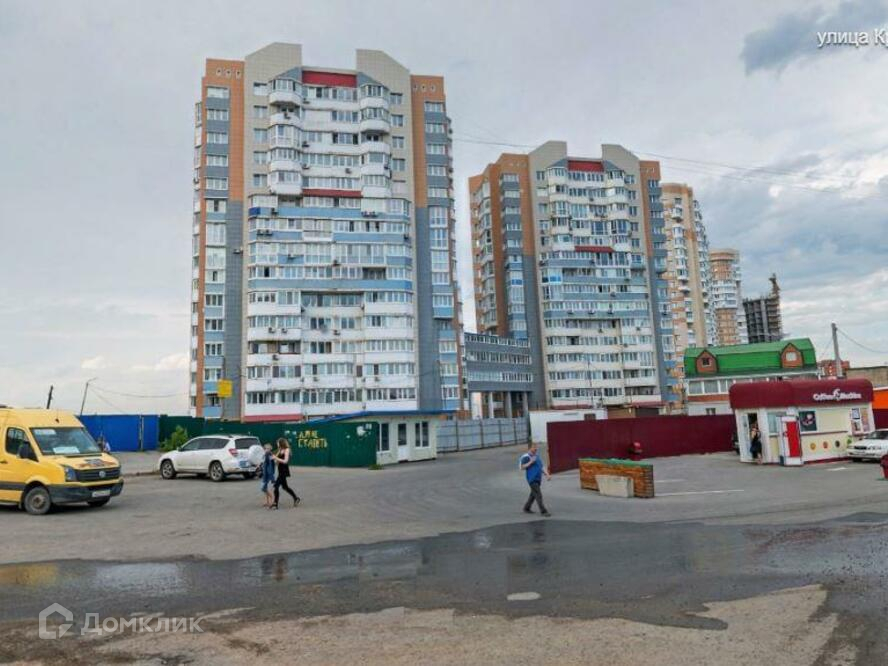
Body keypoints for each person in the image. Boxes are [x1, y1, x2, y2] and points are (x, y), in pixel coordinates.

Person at [519, 443, 551, 516]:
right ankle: (543, 511)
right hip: (532, 479)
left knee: (533, 494)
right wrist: (531, 462)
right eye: (534, 447)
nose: (536, 449)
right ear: (530, 448)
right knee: (538, 494)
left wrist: (547, 474)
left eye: (536, 447)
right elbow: (522, 467)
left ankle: (526, 508)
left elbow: (541, 466)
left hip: (538, 479)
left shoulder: (537, 456)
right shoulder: (526, 457)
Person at [271, 437, 300, 509]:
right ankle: (296, 498)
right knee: (285, 487)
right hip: (280, 470)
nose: (277, 444)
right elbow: (276, 461)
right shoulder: (280, 450)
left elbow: (285, 461)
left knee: (276, 486)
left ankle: (275, 503)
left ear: (281, 443)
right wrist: (273, 459)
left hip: (284, 470)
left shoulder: (287, 449)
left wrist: (276, 458)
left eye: (278, 443)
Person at [260, 443, 276, 508]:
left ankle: (272, 498)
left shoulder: (270, 455)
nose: (267, 449)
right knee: (265, 488)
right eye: (266, 448)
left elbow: (271, 465)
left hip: (268, 474)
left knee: (263, 488)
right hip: (265, 473)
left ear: (270, 449)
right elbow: (263, 463)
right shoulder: (265, 455)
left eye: (268, 448)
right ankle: (267, 501)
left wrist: (272, 476)